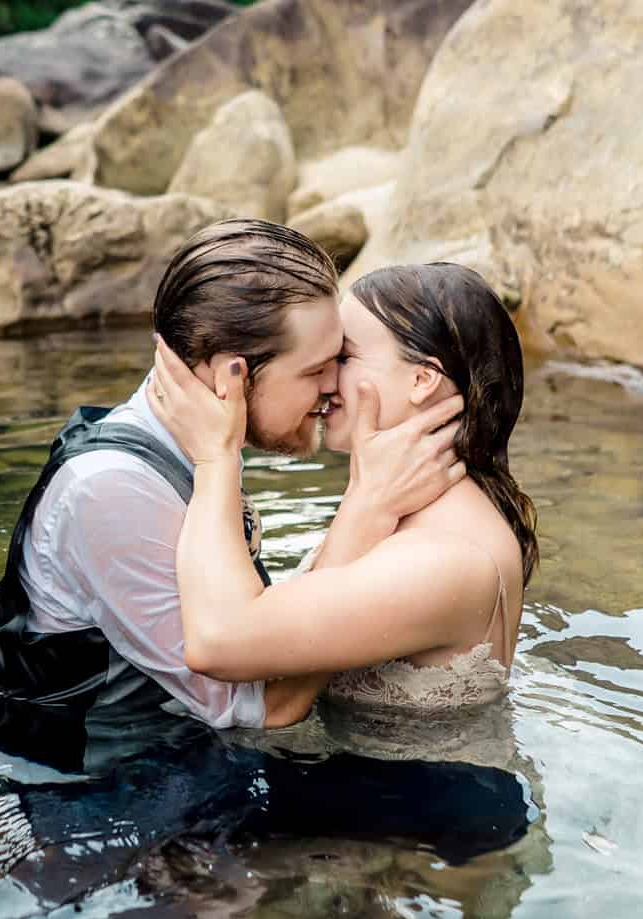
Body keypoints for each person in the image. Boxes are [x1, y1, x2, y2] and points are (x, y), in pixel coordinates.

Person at [0, 221, 466, 770]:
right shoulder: (110, 491)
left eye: (340, 359)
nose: (334, 387)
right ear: (226, 377)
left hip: (184, 758)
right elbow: (265, 706)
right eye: (315, 369)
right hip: (98, 798)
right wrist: (366, 509)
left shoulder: (198, 444)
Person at [150, 262, 538, 713]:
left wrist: (216, 457)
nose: (326, 380)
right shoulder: (406, 503)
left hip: (418, 785)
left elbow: (217, 643)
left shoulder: (445, 556)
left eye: (345, 356)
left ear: (422, 380)